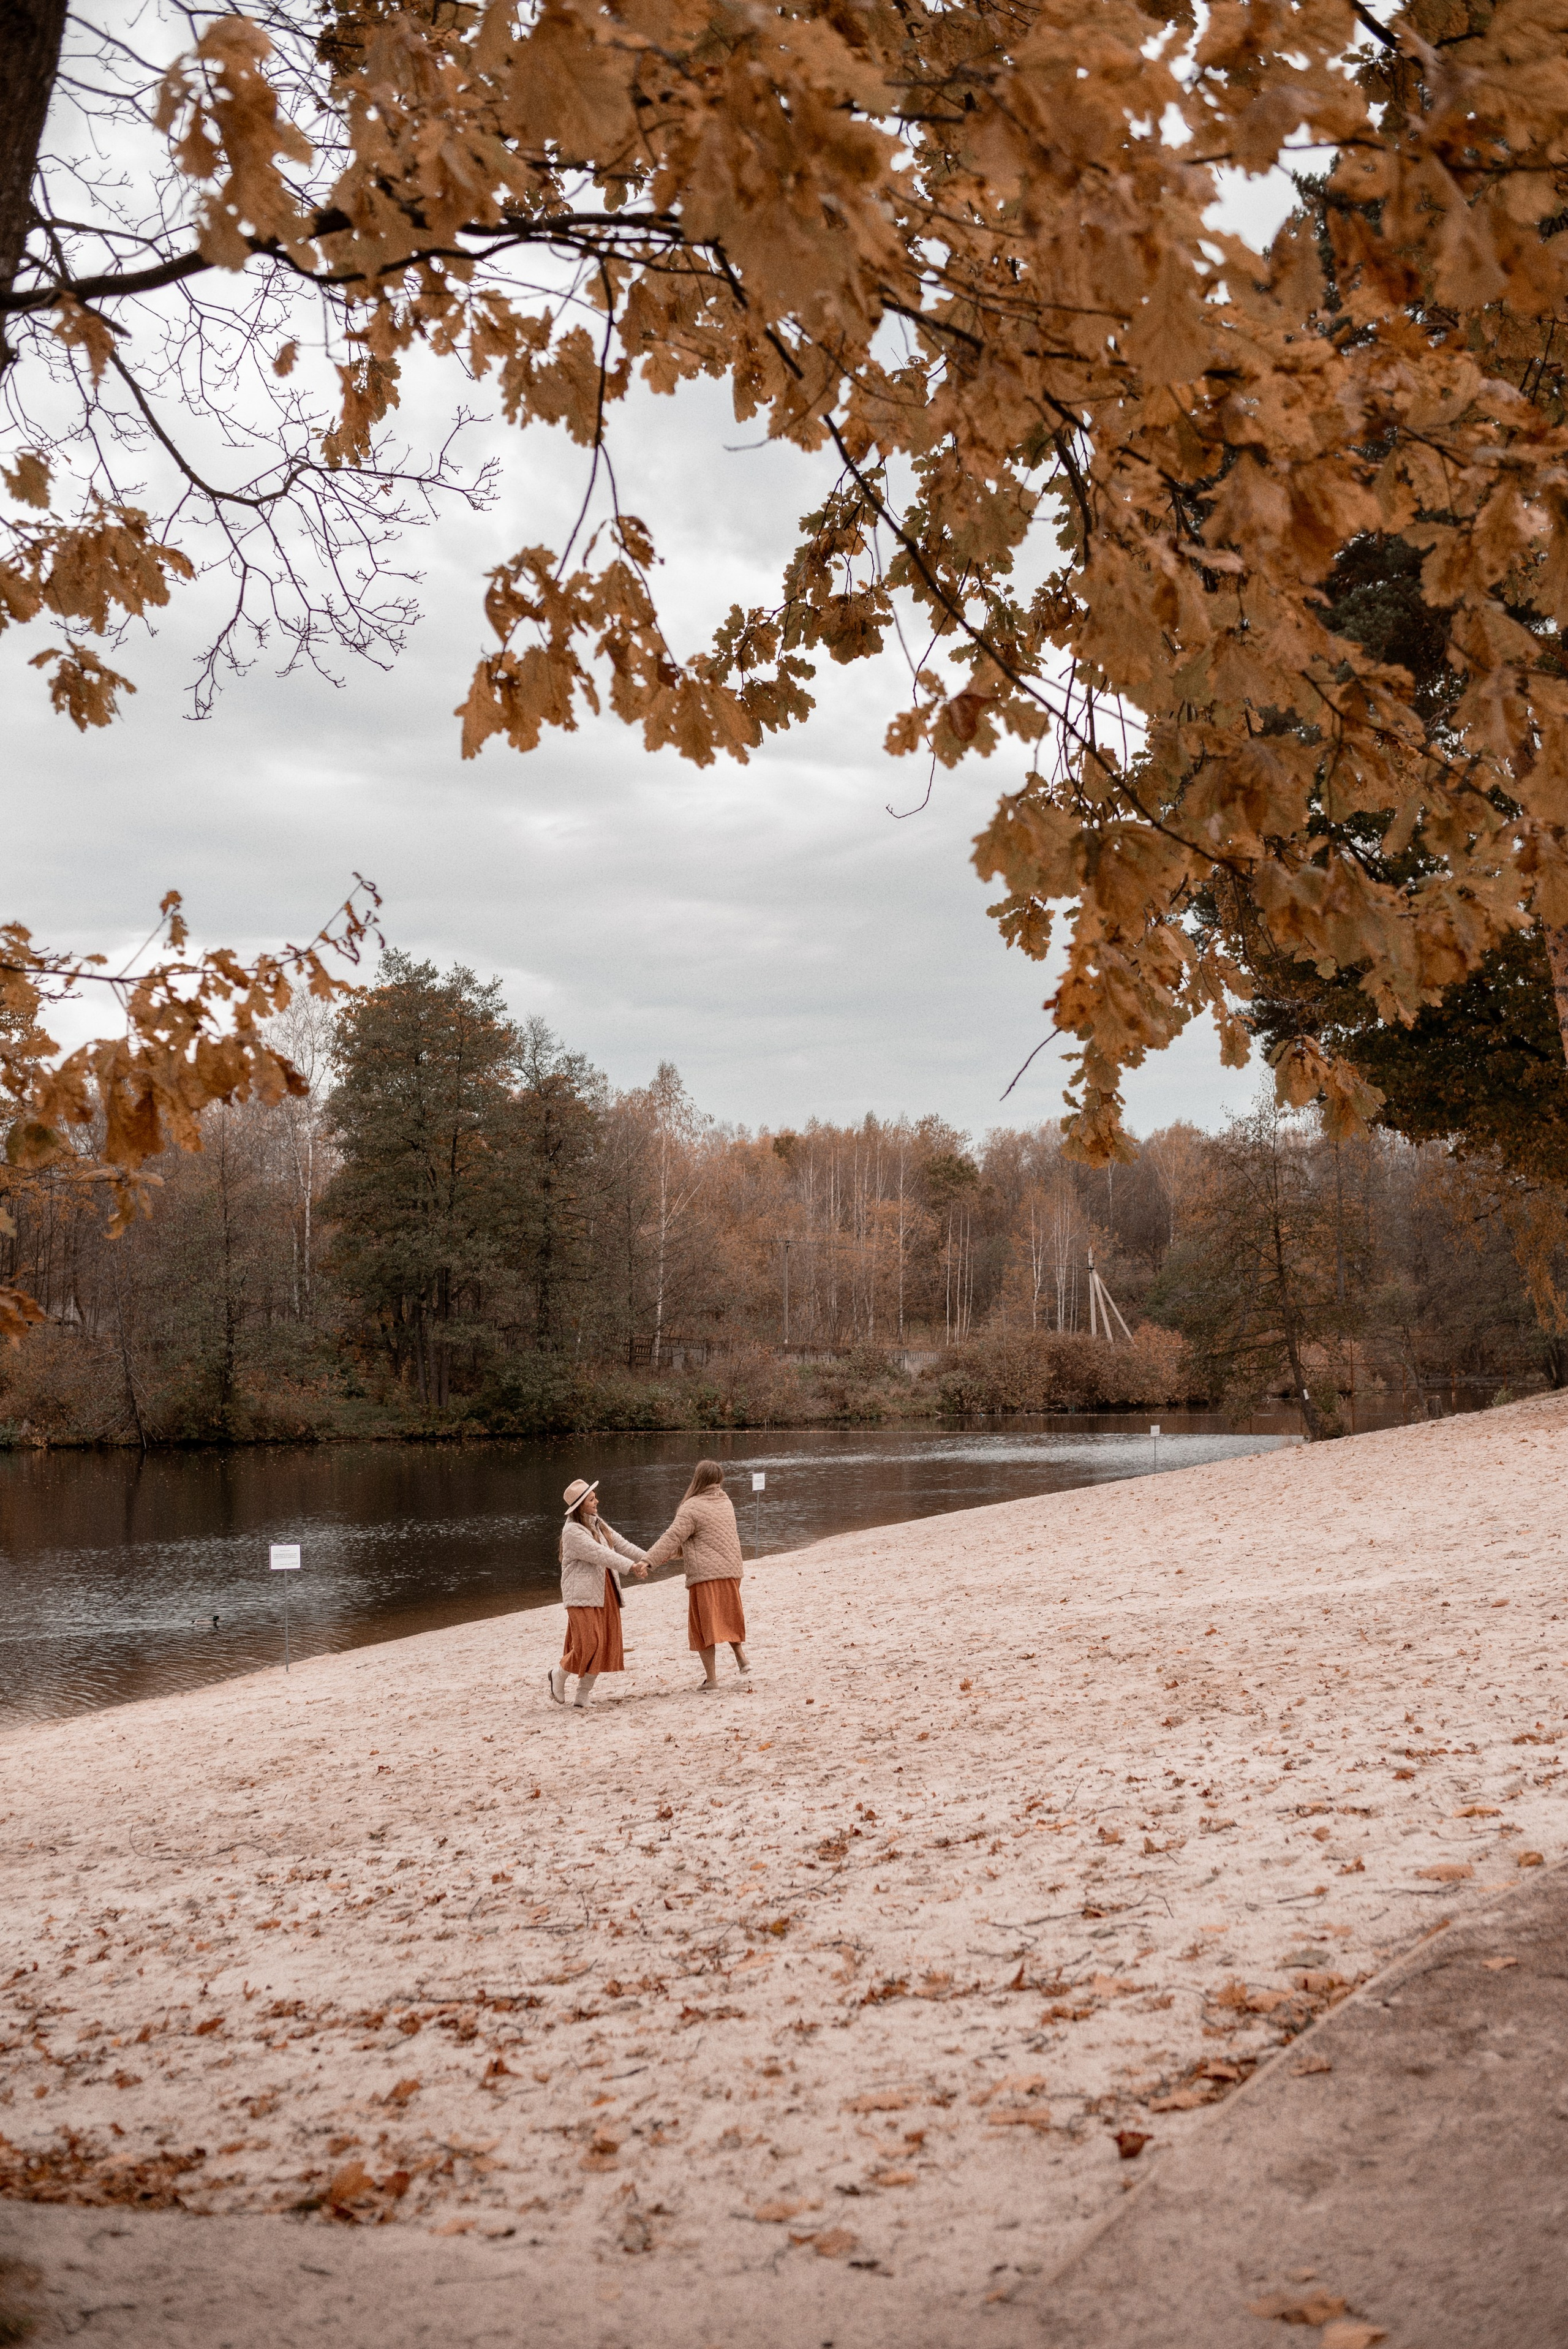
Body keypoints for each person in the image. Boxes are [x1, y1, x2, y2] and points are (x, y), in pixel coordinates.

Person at [644, 1459, 748, 1691]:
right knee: (728, 1616)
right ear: (719, 1480)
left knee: (703, 1628)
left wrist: (648, 1560)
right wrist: (670, 1556)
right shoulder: (726, 1501)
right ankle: (741, 1656)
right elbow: (701, 1540)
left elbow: (673, 1537)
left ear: (698, 1479)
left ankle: (712, 1680)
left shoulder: (691, 1507)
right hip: (732, 1572)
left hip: (705, 1576)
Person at [549, 1477, 648, 1710]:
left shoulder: (597, 1523)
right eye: (592, 1499)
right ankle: (558, 1674)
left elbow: (621, 1544)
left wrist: (650, 1558)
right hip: (582, 1596)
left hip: (606, 1591)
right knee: (589, 1643)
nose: (597, 1501)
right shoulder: (572, 1532)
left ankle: (582, 1696)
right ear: (581, 1504)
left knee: (601, 1644)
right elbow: (601, 1554)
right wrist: (631, 1567)